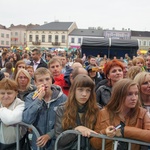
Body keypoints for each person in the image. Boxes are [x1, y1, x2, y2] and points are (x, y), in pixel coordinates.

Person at [90, 79, 150, 150]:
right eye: (129, 94)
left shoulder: (142, 113)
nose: (134, 98)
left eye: (136, 94)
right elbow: (94, 144)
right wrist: (105, 133)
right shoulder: (104, 113)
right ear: (118, 95)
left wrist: (124, 131)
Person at [22, 67, 67, 150]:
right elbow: (27, 119)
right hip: (37, 143)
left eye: (47, 79)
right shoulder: (30, 98)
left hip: (56, 143)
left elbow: (65, 122)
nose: (45, 83)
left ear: (51, 80)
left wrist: (49, 135)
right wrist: (38, 99)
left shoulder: (62, 98)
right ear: (35, 83)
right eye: (40, 80)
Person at [54, 74, 100, 150]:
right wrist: (76, 130)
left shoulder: (97, 109)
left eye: (88, 90)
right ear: (73, 90)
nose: (84, 94)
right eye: (80, 90)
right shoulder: (62, 109)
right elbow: (60, 140)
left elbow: (100, 136)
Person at [0, 78, 25, 150]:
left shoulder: (20, 104)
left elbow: (10, 119)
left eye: (9, 93)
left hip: (16, 144)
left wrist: (1, 109)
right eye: (2, 93)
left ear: (16, 93)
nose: (5, 96)